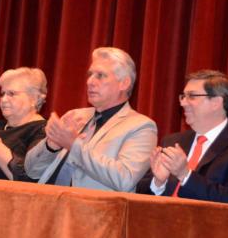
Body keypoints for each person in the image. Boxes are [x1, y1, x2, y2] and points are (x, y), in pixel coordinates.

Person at [24, 47, 157, 192]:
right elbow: (32, 171)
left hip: (92, 211)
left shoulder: (141, 126)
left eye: (100, 75)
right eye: (90, 75)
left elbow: (124, 179)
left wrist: (73, 145)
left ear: (124, 83)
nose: (90, 82)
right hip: (44, 203)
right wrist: (51, 145)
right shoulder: (75, 116)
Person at [135, 70, 228, 204]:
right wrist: (158, 183)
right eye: (183, 96)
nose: (183, 103)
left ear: (216, 102)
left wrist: (185, 175)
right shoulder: (173, 141)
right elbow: (140, 194)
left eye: (192, 96)